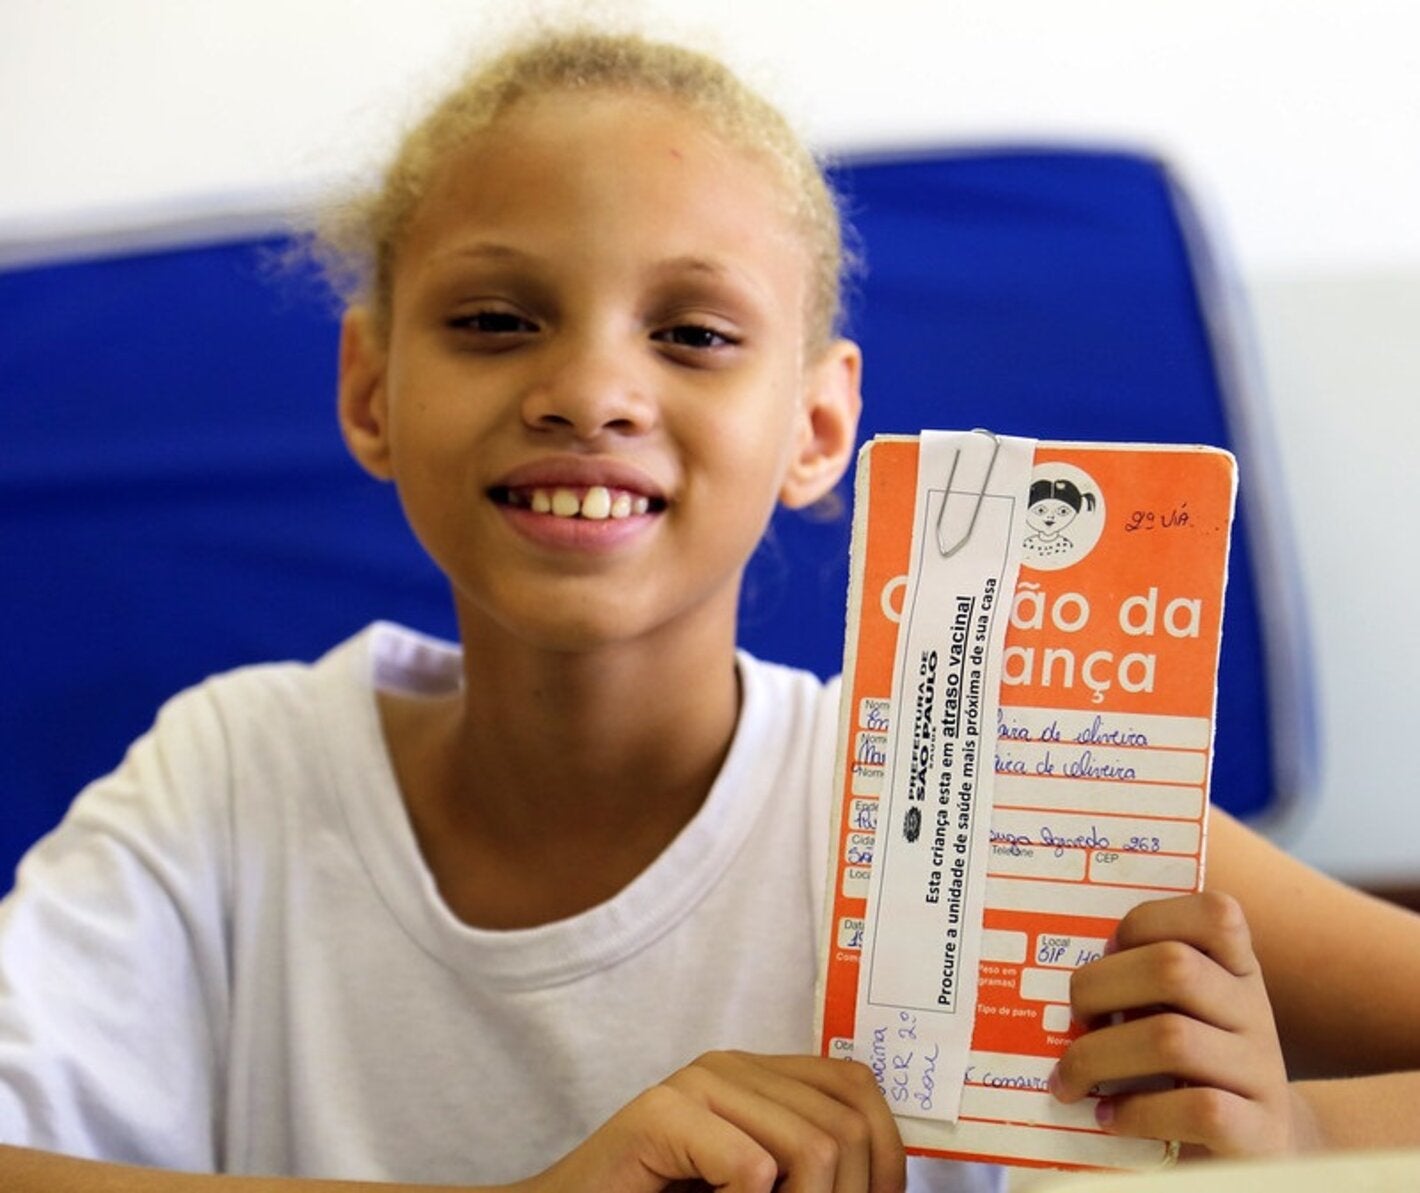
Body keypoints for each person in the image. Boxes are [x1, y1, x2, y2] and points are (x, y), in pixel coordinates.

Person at [1, 24, 1418, 1193]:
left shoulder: (997, 801)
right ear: (370, 387)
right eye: (497, 320)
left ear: (817, 426)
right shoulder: (232, 780)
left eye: (692, 334)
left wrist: (1296, 1141)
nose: (591, 391)